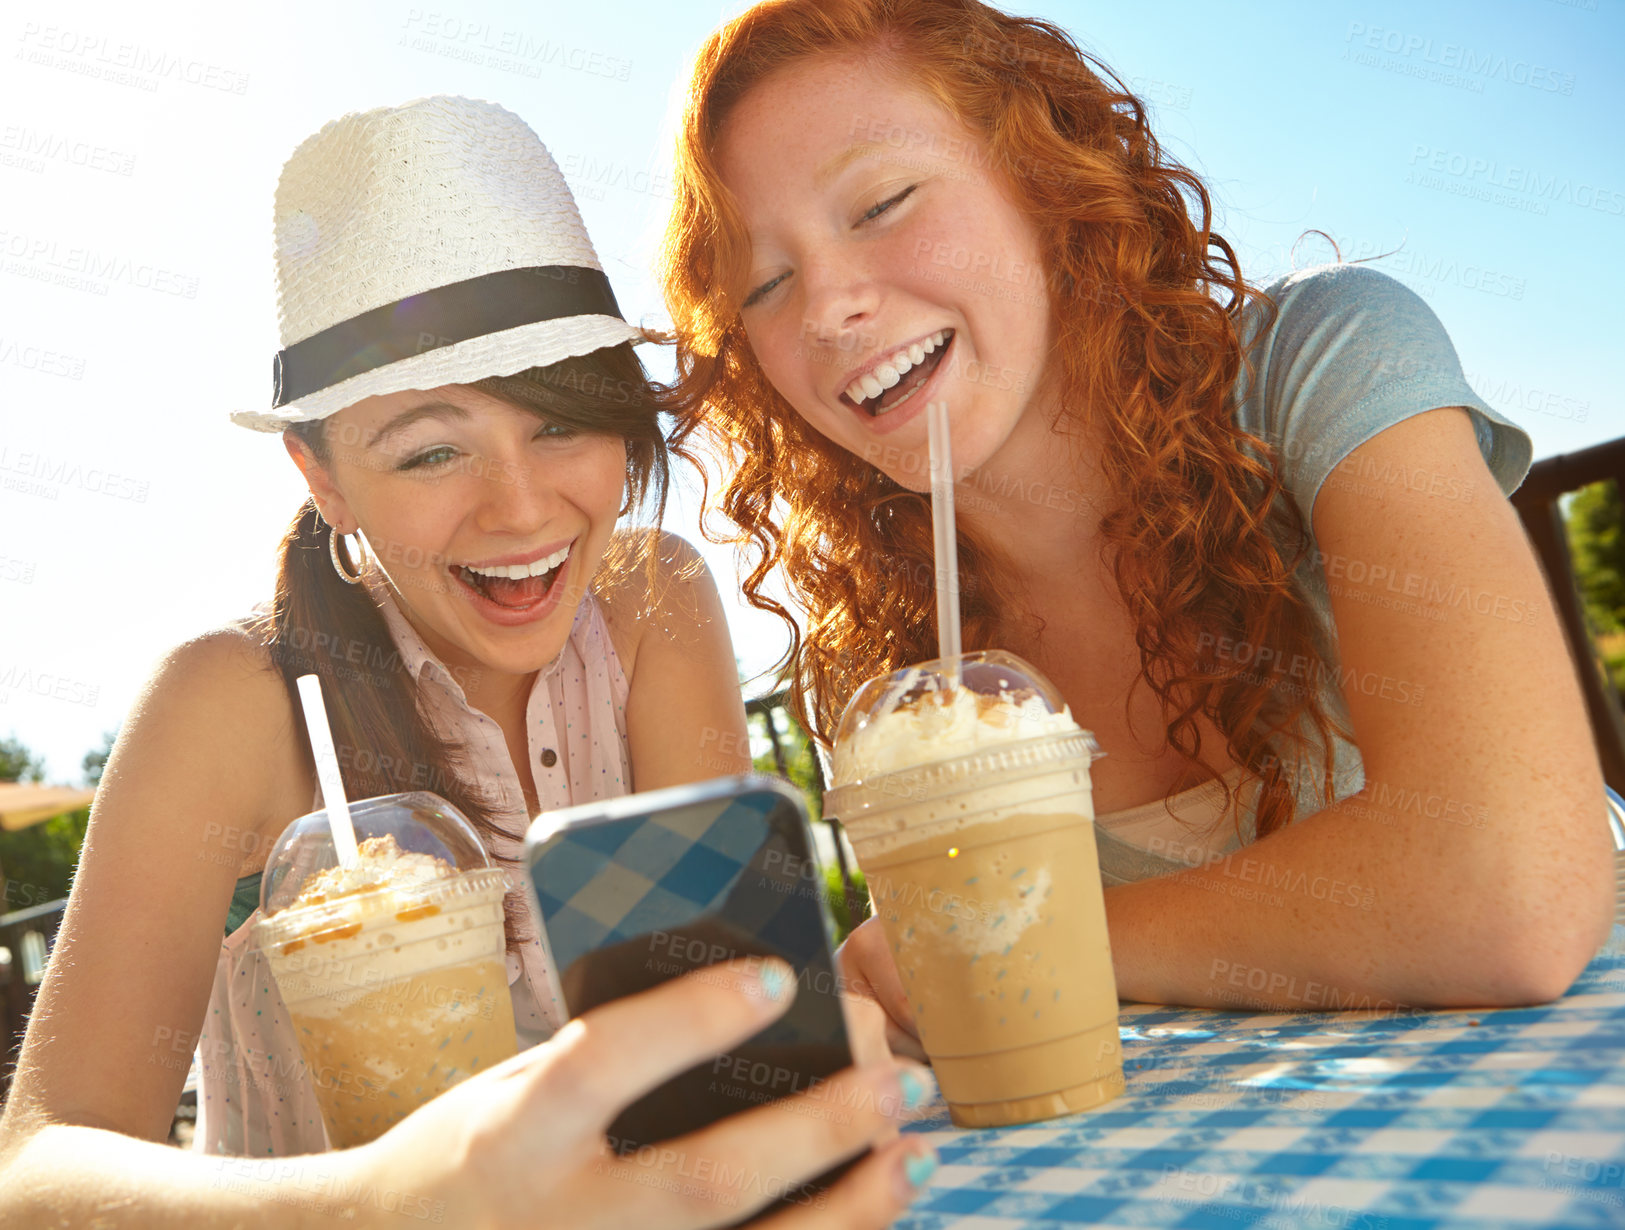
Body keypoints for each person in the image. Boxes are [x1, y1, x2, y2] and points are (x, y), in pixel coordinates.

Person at [0, 96, 937, 1228]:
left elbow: (713, 1037)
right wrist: (381, 1204)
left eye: (559, 424)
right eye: (433, 450)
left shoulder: (654, 605)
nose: (521, 508)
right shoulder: (228, 700)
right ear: (324, 476)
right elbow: (37, 1169)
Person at [657, 0, 1616, 1041]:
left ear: (1041, 180)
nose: (827, 307)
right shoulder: (886, 658)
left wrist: (1021, 939)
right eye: (765, 281)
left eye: (881, 202)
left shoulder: (1318, 363)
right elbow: (990, 1023)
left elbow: (1508, 892)